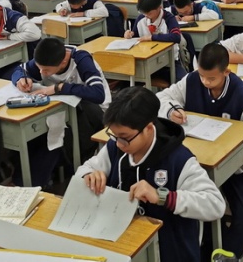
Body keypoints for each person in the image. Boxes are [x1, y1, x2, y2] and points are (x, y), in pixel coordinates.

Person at [76, 86, 225, 262]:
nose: (118, 144)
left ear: (148, 128)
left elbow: (215, 204)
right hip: (123, 246)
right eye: (114, 136)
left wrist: (162, 196)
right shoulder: (116, 147)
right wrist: (89, 175)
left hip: (170, 252)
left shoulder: (179, 160)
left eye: (124, 137)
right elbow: (86, 169)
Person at [157, 44, 243, 257]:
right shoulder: (192, 80)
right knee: (196, 209)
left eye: (211, 79)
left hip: (234, 169)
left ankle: (228, 255)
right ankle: (207, 246)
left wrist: (236, 165)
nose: (205, 82)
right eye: (202, 76)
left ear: (226, 72)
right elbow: (162, 97)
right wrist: (172, 110)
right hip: (199, 163)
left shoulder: (241, 95)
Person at [12, 38, 110, 163]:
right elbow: (19, 70)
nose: (41, 72)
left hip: (97, 110)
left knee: (65, 132)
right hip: (63, 107)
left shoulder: (81, 60)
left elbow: (98, 94)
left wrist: (59, 88)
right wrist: (20, 79)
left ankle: (76, 163)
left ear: (63, 62)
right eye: (39, 68)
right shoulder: (46, 59)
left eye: (46, 70)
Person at [125, 0, 186, 82]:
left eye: (149, 13)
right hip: (146, 62)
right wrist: (129, 35)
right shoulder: (141, 18)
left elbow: (176, 37)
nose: (146, 15)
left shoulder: (169, 18)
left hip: (169, 63)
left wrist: (152, 37)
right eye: (143, 12)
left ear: (159, 7)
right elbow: (135, 38)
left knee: (184, 81)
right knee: (128, 80)